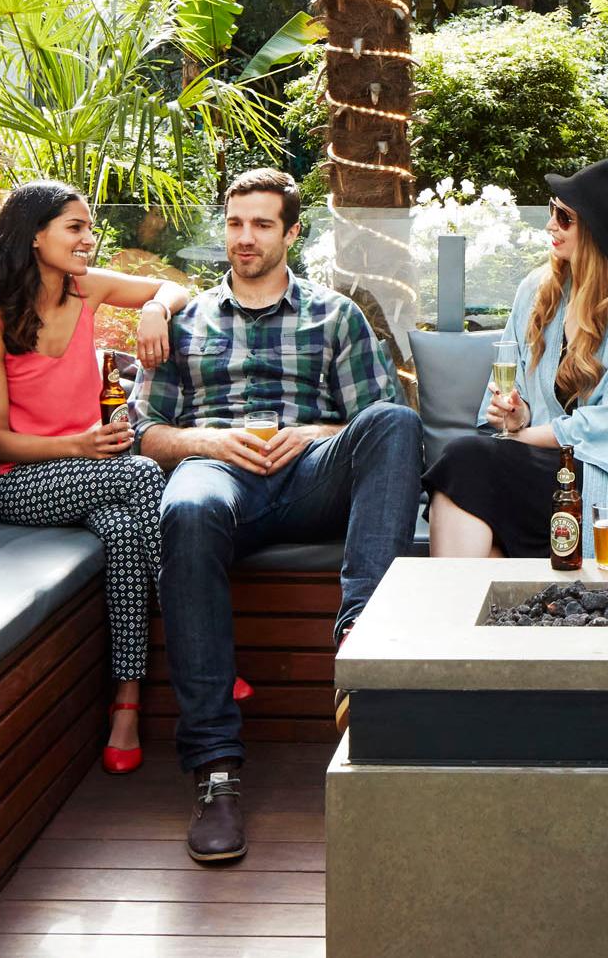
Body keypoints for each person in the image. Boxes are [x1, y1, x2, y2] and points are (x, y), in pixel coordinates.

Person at [143, 168, 424, 867]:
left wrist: (316, 433)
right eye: (235, 223)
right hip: (217, 474)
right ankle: (214, 770)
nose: (245, 237)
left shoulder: (336, 315)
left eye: (262, 224)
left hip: (307, 475)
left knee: (392, 422)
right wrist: (207, 440)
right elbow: (146, 431)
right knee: (184, 506)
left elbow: (373, 421)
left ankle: (360, 631)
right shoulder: (185, 319)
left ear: (291, 232)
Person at [0, 181, 190, 776]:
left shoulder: (87, 292)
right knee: (139, 474)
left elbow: (178, 286)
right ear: (34, 236)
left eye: (90, 228)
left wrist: (156, 310)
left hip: (84, 474)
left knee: (121, 535)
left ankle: (127, 709)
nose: (89, 240)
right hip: (20, 484)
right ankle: (195, 652)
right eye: (74, 228)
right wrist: (78, 445)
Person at [425, 159, 608, 560]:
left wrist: (523, 436)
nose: (550, 225)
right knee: (464, 467)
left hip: (605, 467)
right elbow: (513, 391)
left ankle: (459, 611)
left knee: (464, 460)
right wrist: (514, 414)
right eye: (551, 210)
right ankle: (472, 609)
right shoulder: (537, 290)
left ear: (593, 230)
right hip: (540, 464)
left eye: (563, 216)